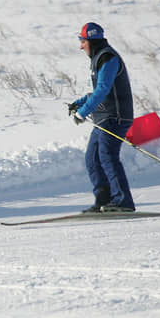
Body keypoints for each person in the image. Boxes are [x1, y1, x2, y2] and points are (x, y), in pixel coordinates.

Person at [68, 22, 136, 213]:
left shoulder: (107, 57)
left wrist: (83, 112)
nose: (81, 46)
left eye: (82, 41)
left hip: (116, 117)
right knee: (92, 158)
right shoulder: (100, 56)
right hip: (104, 117)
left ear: (90, 41)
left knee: (107, 156)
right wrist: (80, 102)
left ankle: (123, 201)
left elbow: (103, 89)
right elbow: (100, 90)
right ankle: (103, 199)